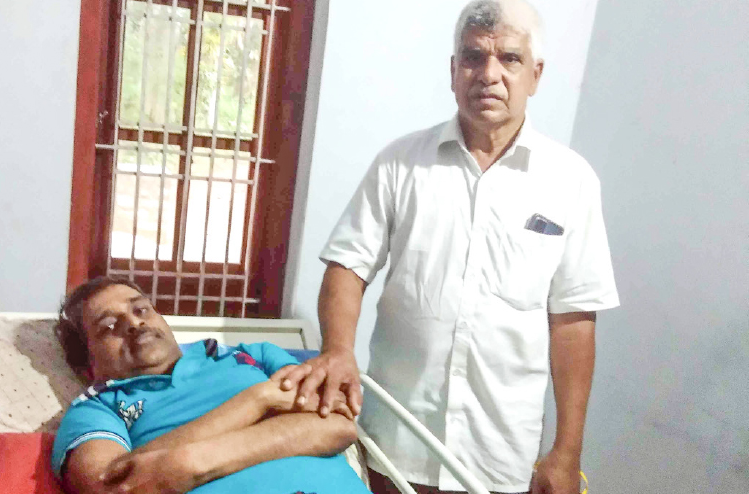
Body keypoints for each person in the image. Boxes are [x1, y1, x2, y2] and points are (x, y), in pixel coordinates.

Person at [273, 1, 620, 493]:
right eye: (474, 57)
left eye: (510, 59)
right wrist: (337, 351)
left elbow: (573, 321)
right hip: (395, 441)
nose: (489, 74)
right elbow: (348, 265)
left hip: (499, 456)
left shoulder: (571, 182)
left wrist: (567, 450)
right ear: (454, 70)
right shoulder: (400, 163)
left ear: (536, 75)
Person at [50, 276, 371, 494]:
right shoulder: (97, 408)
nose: (135, 323)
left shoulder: (254, 355)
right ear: (86, 365)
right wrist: (257, 400)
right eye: (109, 326)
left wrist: (186, 465)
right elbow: (111, 486)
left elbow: (337, 425)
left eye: (141, 309)